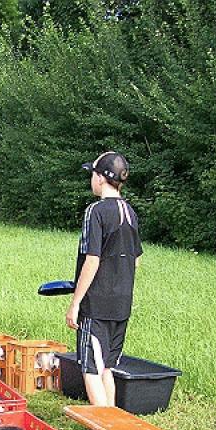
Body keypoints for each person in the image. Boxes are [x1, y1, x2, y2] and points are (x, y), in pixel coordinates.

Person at [65, 151, 142, 407]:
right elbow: (136, 259)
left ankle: (102, 427)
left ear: (100, 178)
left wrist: (76, 303)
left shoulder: (95, 211)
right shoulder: (130, 212)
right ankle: (113, 423)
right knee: (107, 367)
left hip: (96, 305)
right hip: (122, 304)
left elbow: (92, 259)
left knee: (90, 368)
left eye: (92, 174)